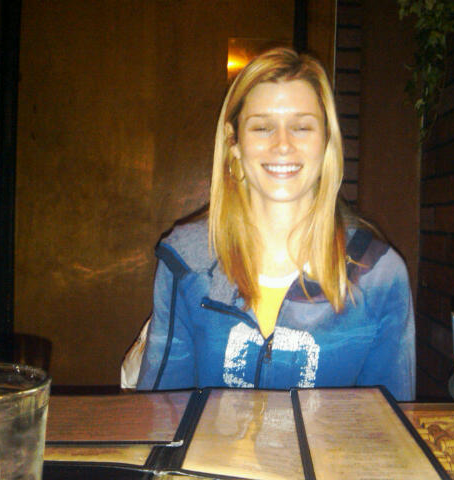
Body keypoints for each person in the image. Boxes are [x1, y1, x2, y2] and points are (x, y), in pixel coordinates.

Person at [126, 47, 416, 401]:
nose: (282, 145)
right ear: (234, 142)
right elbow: (161, 412)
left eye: (302, 127)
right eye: (262, 127)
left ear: (326, 141)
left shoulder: (379, 275)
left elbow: (388, 425)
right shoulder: (186, 263)